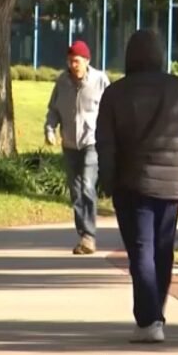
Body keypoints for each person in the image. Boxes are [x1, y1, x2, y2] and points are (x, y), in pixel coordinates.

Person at [96, 30, 178, 343]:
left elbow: (105, 143)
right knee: (162, 251)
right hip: (171, 184)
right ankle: (155, 314)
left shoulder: (115, 94)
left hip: (130, 182)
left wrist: (106, 179)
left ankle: (149, 320)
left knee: (141, 252)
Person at [45, 40, 110, 254]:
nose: (74, 65)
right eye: (71, 61)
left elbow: (112, 108)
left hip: (92, 141)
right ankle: (84, 234)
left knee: (87, 186)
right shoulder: (62, 82)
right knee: (75, 191)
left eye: (77, 61)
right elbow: (53, 110)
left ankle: (89, 235)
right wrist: (50, 130)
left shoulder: (100, 80)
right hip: (70, 143)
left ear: (87, 61)